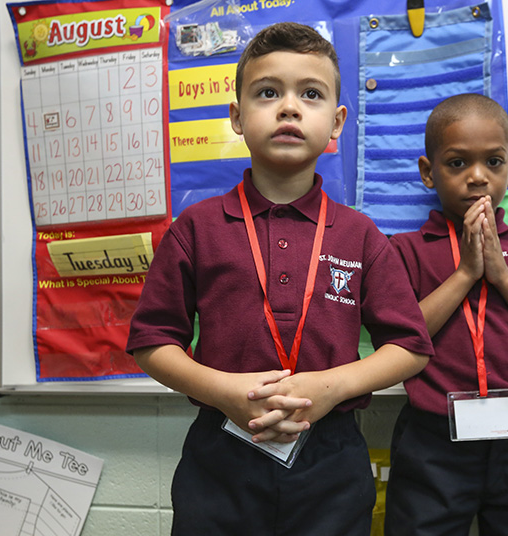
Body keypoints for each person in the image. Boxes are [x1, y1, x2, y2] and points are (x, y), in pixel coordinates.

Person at [126, 22, 433, 536]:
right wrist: (222, 389)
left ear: (336, 124)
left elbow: (410, 345)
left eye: (310, 94)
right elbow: (152, 342)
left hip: (331, 456)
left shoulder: (360, 235)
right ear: (237, 117)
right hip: (221, 451)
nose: (289, 107)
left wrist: (331, 388)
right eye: (268, 92)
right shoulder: (196, 229)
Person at [384, 93, 508, 536]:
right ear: (428, 172)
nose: (477, 177)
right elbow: (396, 341)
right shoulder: (404, 251)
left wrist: (503, 276)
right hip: (433, 439)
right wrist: (465, 274)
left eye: (494, 162)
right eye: (457, 163)